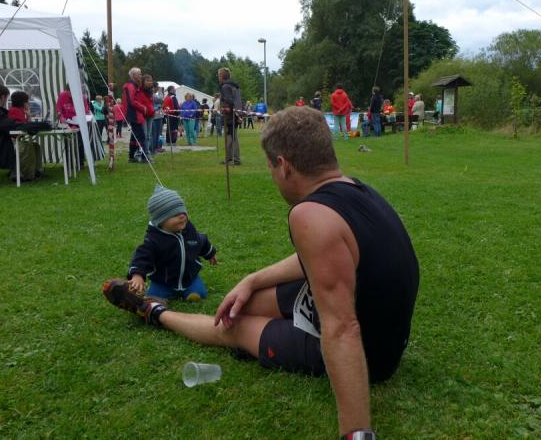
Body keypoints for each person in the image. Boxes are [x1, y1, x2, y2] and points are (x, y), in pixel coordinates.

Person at [102, 107, 419, 438]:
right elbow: (325, 257)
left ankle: (153, 312)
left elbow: (342, 329)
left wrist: (357, 434)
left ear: (284, 165)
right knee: (241, 304)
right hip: (379, 322)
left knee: (232, 327)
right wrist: (251, 280)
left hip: (370, 354)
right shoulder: (356, 189)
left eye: (270, 167)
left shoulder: (310, 213)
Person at [103, 186, 217, 303]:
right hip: (163, 282)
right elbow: (142, 257)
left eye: (183, 212)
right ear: (160, 221)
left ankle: (193, 293)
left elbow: (201, 241)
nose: (182, 216)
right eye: (175, 214)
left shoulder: (189, 230)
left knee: (200, 291)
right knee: (153, 297)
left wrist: (210, 253)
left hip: (190, 278)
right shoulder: (154, 240)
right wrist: (137, 275)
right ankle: (158, 298)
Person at [0, 84, 42, 181]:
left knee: (31, 145)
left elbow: (7, 123)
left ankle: (32, 172)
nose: (6, 101)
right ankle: (25, 175)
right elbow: (9, 125)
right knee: (26, 146)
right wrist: (32, 125)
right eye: (6, 98)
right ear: (2, 97)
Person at [122, 68, 148, 163]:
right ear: (133, 75)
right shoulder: (131, 86)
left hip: (134, 113)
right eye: (139, 74)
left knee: (134, 136)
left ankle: (131, 156)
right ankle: (145, 157)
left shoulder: (134, 85)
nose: (141, 76)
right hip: (134, 114)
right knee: (141, 137)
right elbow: (132, 101)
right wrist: (142, 107)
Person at [218, 67, 242, 165]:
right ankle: (230, 158)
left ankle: (235, 159)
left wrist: (227, 108)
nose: (218, 77)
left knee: (231, 137)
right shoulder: (233, 85)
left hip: (230, 115)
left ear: (222, 76)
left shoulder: (225, 87)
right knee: (231, 137)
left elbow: (230, 100)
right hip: (234, 114)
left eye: (219, 75)